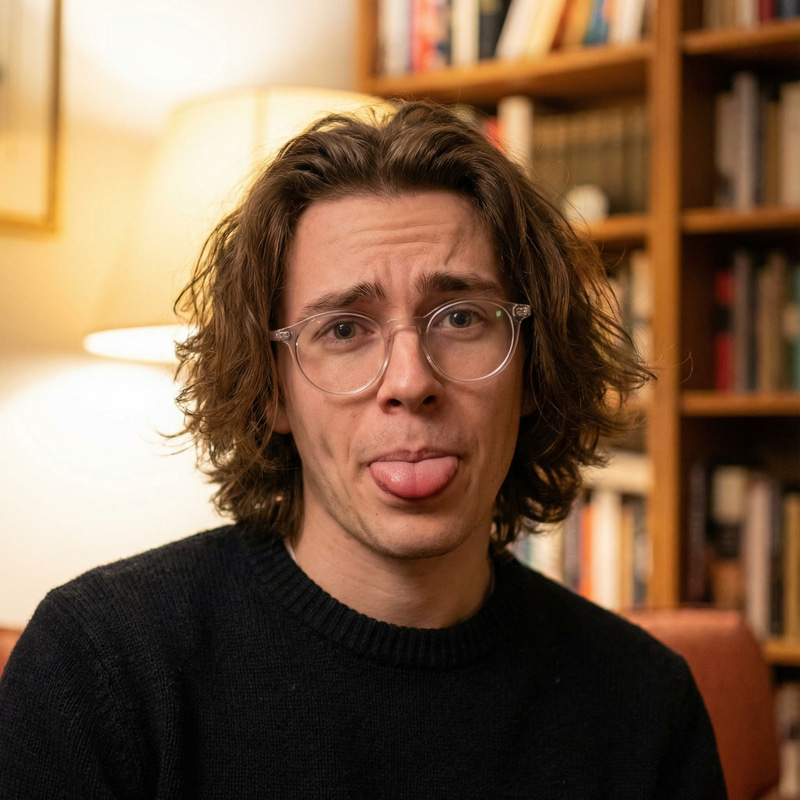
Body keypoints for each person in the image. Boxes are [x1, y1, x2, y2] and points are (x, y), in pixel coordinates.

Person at [0, 101, 726, 798]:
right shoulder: (100, 669)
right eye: (344, 329)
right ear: (272, 390)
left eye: (461, 318)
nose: (411, 382)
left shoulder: (645, 705)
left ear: (532, 368)